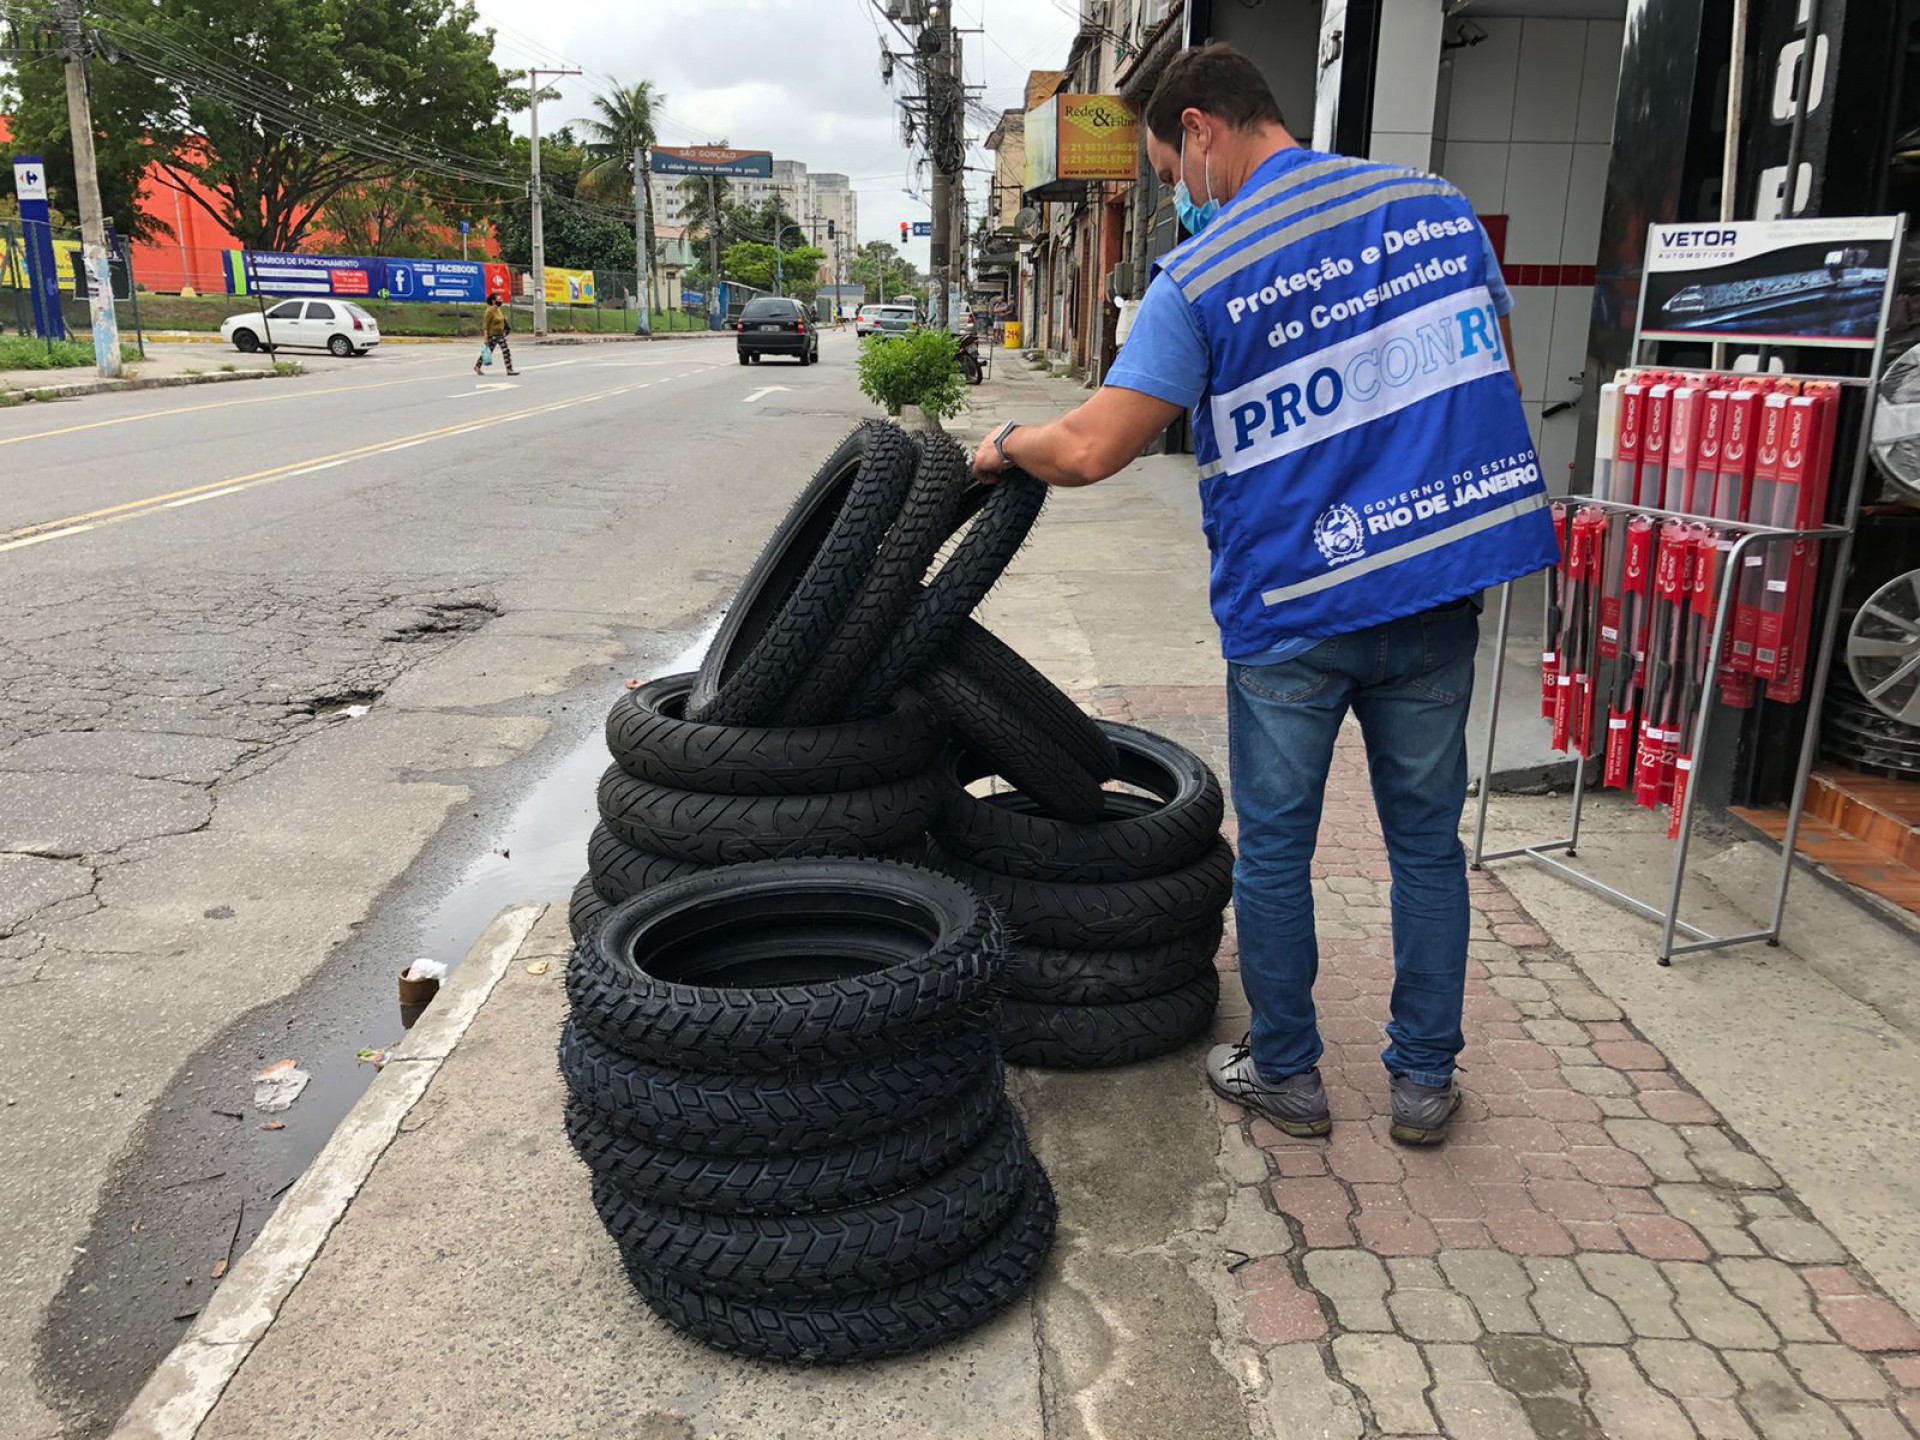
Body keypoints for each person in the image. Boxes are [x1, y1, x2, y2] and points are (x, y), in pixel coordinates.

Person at [970, 43, 1558, 1147]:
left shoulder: (1206, 272)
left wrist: (1006, 442)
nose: (1180, 196)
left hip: (1293, 608)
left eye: (1170, 172)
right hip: (1432, 591)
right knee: (1427, 846)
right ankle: (1423, 1082)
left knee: (1279, 852)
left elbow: (1093, 447)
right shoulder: (1439, 211)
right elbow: (1494, 384)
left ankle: (1288, 1073)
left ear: (1199, 128)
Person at [477, 292, 518, 376]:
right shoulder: (489, 311)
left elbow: (502, 320)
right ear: (493, 301)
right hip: (492, 335)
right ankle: (477, 366)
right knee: (488, 352)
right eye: (499, 299)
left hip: (501, 335)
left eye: (501, 299)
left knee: (506, 351)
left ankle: (509, 370)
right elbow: (485, 325)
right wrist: (485, 338)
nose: (501, 301)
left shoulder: (498, 310)